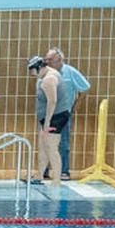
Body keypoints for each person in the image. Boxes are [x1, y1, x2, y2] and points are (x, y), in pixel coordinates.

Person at [45, 48, 89, 179]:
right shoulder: (45, 72)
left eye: (50, 60)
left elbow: (85, 87)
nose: (47, 62)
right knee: (46, 142)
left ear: (59, 60)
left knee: (63, 143)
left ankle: (64, 171)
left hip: (63, 113)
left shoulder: (70, 72)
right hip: (48, 113)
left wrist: (77, 104)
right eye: (46, 60)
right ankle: (44, 170)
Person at [30, 55, 66, 189]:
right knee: (43, 146)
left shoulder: (49, 79)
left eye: (34, 73)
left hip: (55, 117)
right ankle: (39, 175)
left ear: (40, 68)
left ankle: (56, 180)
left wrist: (47, 123)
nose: (34, 76)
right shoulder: (47, 75)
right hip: (51, 116)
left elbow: (53, 101)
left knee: (51, 147)